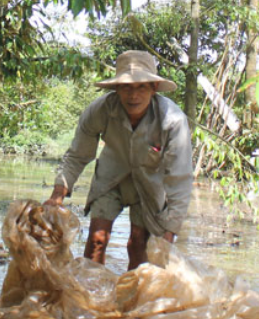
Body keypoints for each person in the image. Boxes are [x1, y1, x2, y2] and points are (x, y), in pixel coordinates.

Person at [44, 50, 193, 270]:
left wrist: (170, 230)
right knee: (97, 239)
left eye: (141, 86)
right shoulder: (99, 111)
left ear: (153, 89)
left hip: (151, 184)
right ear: (116, 89)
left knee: (138, 244)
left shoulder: (172, 120)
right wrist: (57, 195)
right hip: (111, 177)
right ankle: (92, 294)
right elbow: (78, 155)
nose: (134, 95)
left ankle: (132, 298)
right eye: (127, 87)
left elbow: (179, 178)